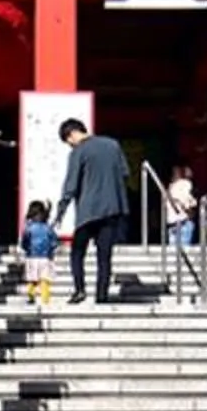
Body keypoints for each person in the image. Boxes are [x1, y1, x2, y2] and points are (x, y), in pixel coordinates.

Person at [50, 117, 133, 305]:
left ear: (71, 135)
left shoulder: (79, 152)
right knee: (104, 255)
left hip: (88, 211)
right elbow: (125, 173)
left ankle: (80, 290)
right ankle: (101, 296)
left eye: (67, 142)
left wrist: (61, 211)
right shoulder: (113, 145)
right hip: (112, 209)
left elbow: (71, 185)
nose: (69, 146)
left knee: (77, 252)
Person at [18, 199, 58, 307]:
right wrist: (51, 250)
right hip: (45, 258)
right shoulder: (48, 228)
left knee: (32, 279)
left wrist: (26, 249)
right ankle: (45, 299)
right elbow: (54, 242)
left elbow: (24, 242)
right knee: (44, 279)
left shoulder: (29, 228)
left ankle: (31, 296)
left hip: (31, 257)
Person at [163, 163, 199, 249]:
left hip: (172, 223)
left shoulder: (169, 188)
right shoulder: (185, 184)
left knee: (173, 252)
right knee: (184, 252)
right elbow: (188, 203)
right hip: (183, 222)